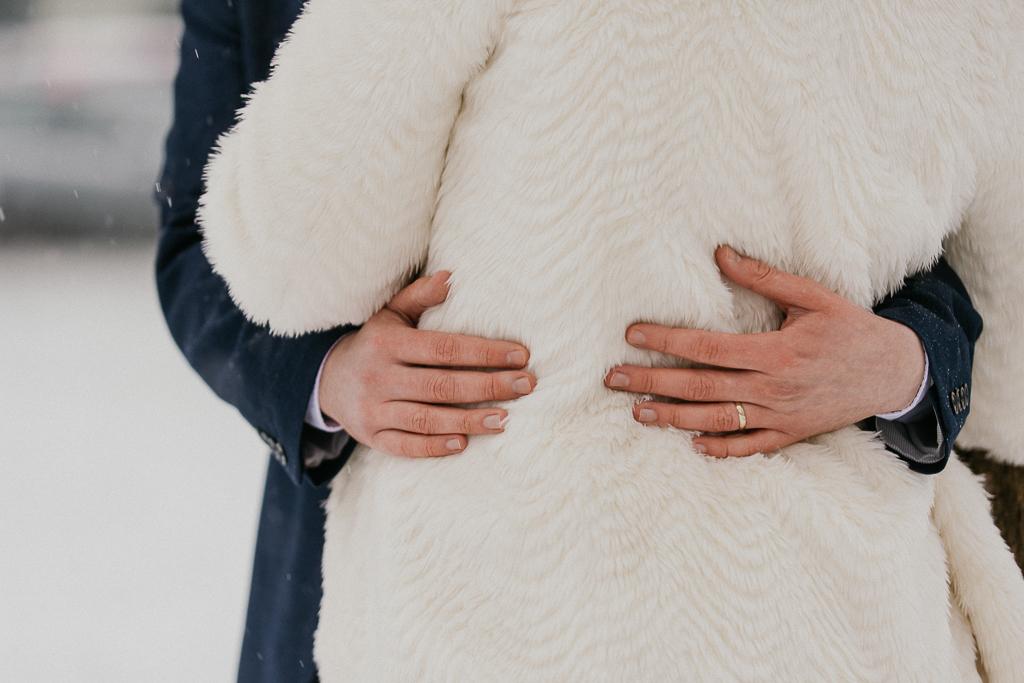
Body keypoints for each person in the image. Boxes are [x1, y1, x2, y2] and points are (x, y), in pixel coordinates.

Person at [157, 1, 1020, 681]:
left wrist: (902, 363)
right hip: (406, 558)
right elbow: (201, 247)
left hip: (790, 583)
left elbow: (927, 237)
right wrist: (325, 377)